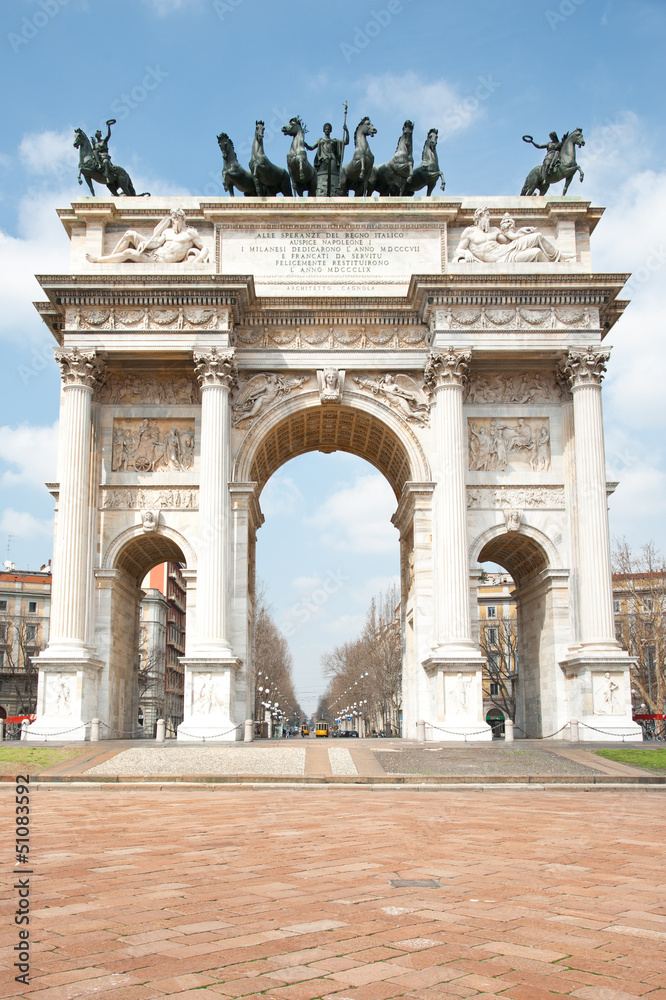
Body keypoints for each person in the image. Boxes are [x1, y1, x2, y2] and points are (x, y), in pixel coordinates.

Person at [87, 208, 209, 264]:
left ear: (182, 219)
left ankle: (98, 260)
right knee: (130, 234)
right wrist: (145, 244)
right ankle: (110, 260)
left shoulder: (190, 233)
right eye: (172, 219)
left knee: (129, 252)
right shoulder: (167, 232)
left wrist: (198, 260)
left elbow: (205, 248)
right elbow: (156, 243)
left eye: (175, 219)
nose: (173, 221)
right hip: (154, 254)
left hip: (160, 261)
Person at [306, 122, 350, 195]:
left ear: (330, 131)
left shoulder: (334, 141)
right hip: (323, 159)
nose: (327, 130)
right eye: (326, 129)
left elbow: (346, 142)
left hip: (332, 159)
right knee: (321, 174)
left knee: (334, 174)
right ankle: (319, 189)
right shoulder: (320, 140)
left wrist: (347, 131)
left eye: (328, 129)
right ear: (324, 130)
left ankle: (336, 189)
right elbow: (311, 147)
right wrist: (305, 144)